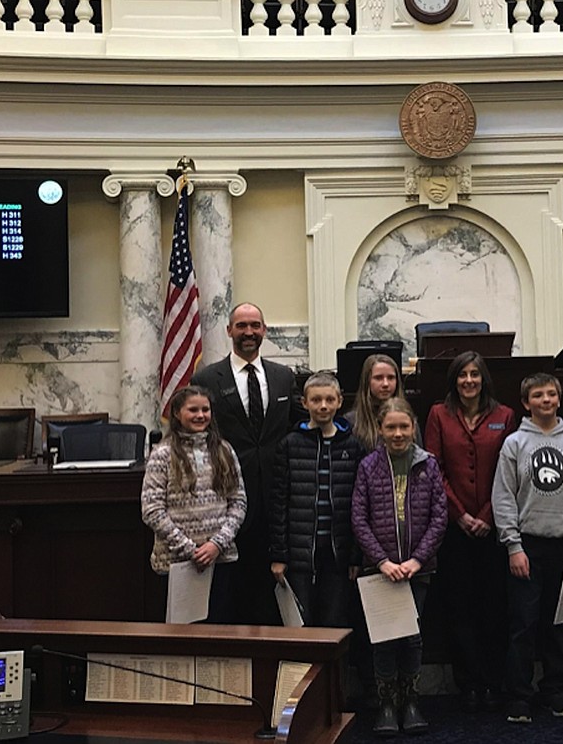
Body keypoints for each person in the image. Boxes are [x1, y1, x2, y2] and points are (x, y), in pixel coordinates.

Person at [492, 372, 563, 724]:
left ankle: (555, 689)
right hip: (526, 546)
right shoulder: (514, 444)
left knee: (559, 625)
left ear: (559, 399)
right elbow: (503, 497)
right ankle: (519, 695)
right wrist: (512, 545)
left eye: (551, 395)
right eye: (538, 395)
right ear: (526, 402)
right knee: (523, 624)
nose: (546, 400)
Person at [191, 302, 302, 625]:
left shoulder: (283, 377)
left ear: (265, 330)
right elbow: (198, 428)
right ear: (229, 331)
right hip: (225, 499)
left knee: (269, 594)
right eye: (242, 326)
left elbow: (296, 425)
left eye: (255, 325)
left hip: (276, 498)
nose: (249, 332)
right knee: (229, 592)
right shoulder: (208, 378)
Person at [424, 351, 516, 712]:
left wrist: (488, 516)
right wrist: (460, 515)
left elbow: (509, 473)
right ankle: (468, 683)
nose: (469, 381)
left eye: (475, 375)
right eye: (462, 375)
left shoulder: (504, 416)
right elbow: (434, 468)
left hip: (494, 528)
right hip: (453, 529)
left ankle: (493, 681)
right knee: (459, 608)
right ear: (453, 380)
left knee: (494, 607)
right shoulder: (438, 415)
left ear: (484, 379)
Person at [352, 397, 448, 737]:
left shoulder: (429, 464)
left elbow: (439, 516)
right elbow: (359, 519)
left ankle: (411, 700)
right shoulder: (368, 466)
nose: (397, 433)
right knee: (384, 640)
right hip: (380, 571)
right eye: (390, 427)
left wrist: (416, 559)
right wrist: (382, 561)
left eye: (403, 426)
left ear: (413, 428)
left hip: (417, 569)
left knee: (412, 638)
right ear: (380, 429)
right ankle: (387, 704)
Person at [141, 385, 247, 623]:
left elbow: (238, 502)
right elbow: (151, 510)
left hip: (219, 559)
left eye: (205, 410)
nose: (200, 416)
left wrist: (217, 544)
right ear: (177, 413)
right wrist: (191, 549)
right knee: (183, 637)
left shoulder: (224, 450)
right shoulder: (162, 454)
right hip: (178, 562)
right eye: (193, 410)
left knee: (219, 632)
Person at [269, 371, 364, 627]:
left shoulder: (353, 446)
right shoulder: (290, 444)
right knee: (300, 624)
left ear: (340, 401)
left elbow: (359, 506)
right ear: (304, 403)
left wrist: (356, 556)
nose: (323, 406)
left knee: (335, 623)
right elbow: (278, 503)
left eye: (329, 400)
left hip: (338, 554)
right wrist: (279, 555)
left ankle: (333, 670)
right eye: (316, 400)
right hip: (299, 554)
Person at [347, 353, 405, 451]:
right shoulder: (352, 422)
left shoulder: (407, 419)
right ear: (367, 381)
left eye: (391, 378)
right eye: (378, 378)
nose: (385, 384)